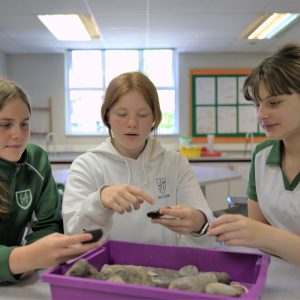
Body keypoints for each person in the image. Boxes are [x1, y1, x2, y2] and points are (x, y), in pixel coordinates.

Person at [62, 71, 214, 247]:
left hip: (165, 270)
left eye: (142, 115)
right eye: (121, 114)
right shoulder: (86, 166)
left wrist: (199, 224)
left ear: (154, 119)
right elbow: (73, 240)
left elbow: (209, 237)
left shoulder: (176, 164)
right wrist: (100, 201)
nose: (132, 123)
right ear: (107, 116)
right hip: (107, 272)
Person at [207, 43, 300, 266]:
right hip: (279, 279)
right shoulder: (262, 155)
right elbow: (258, 236)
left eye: (274, 103)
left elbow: (261, 234)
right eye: (257, 105)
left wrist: (264, 235)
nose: (261, 115)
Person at [0, 78, 100, 283]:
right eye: (5, 124)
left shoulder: (37, 160)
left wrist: (32, 256)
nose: (18, 134)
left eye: (24, 124)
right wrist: (25, 258)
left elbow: (48, 223)